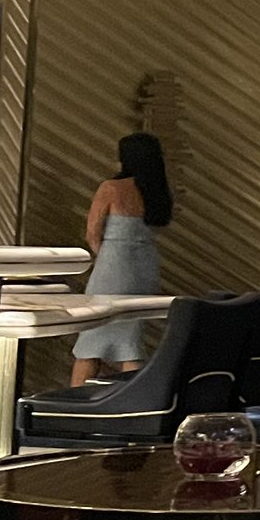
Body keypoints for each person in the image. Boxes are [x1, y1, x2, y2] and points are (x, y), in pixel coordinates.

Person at [71, 133, 173, 386]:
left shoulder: (111, 188)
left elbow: (92, 232)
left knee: (91, 340)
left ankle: (73, 400)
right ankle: (133, 398)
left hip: (114, 266)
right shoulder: (157, 192)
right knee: (130, 341)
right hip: (146, 266)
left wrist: (106, 257)